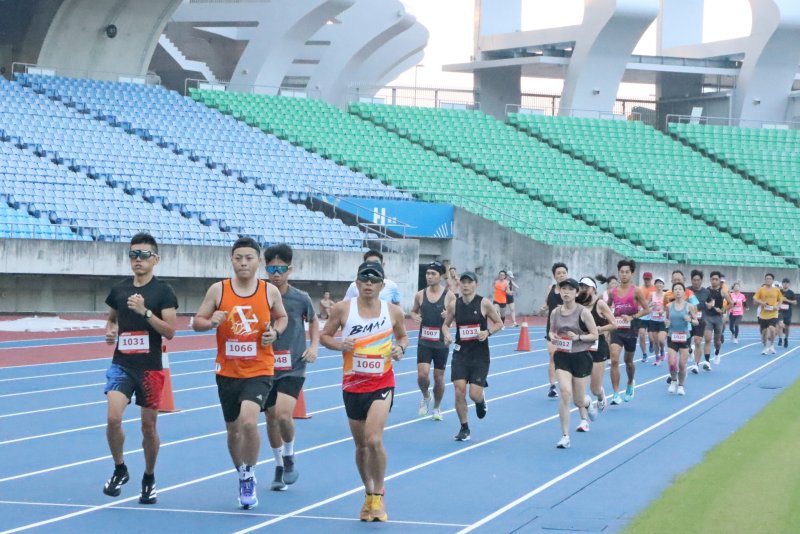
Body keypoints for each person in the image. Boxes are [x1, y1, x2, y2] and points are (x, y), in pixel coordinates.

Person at [192, 237, 288, 509]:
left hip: (259, 368)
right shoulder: (218, 290)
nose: (243, 263)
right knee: (233, 431)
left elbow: (282, 317)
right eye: (238, 258)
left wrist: (275, 332)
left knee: (249, 421)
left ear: (258, 261)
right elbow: (197, 322)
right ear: (232, 260)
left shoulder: (268, 291)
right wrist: (210, 322)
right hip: (227, 371)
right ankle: (240, 471)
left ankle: (249, 475)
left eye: (249, 258)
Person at [320, 261, 408, 522]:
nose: (368, 283)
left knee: (373, 439)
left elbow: (403, 338)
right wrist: (339, 344)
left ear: (382, 285)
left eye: (374, 280)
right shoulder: (342, 309)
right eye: (364, 279)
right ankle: (368, 492)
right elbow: (325, 336)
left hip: (382, 382)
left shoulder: (393, 312)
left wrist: (400, 349)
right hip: (353, 384)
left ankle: (379, 495)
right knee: (360, 447)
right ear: (357, 284)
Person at [102, 233, 178, 505]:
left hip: (150, 369)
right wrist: (111, 332)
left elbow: (170, 331)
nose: (137, 259)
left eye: (144, 255)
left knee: (148, 427)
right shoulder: (120, 290)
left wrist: (146, 312)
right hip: (121, 364)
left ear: (155, 259)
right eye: (133, 254)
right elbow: (112, 320)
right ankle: (120, 468)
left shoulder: (163, 292)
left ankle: (149, 476)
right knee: (113, 418)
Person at [262, 244, 319, 491]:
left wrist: (314, 346)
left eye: (281, 269)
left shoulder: (300, 298)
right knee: (270, 418)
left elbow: (315, 322)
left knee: (284, 415)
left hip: (294, 364)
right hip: (264, 366)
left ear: (290, 269)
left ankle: (289, 455)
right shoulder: (259, 296)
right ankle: (277, 465)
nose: (276, 274)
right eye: (272, 269)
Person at [443, 271, 503, 442]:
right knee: (458, 390)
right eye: (463, 282)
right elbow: (445, 325)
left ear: (476, 284)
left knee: (473, 394)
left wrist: (487, 332)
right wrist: (447, 335)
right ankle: (464, 427)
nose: (466, 285)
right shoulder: (454, 305)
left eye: (470, 282)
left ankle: (480, 400)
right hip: (460, 353)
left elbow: (499, 323)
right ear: (460, 285)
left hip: (480, 355)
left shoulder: (484, 303)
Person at [549, 278, 600, 448]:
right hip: (562, 356)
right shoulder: (556, 312)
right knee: (564, 393)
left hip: (580, 356)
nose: (566, 292)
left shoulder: (583, 312)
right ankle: (565, 436)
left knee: (578, 400)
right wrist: (553, 336)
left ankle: (587, 403)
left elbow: (594, 335)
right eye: (563, 289)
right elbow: (551, 331)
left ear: (576, 293)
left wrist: (578, 337)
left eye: (570, 289)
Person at [410, 261, 456, 421]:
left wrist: (449, 317)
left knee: (438, 377)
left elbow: (456, 319)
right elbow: (413, 311)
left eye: (433, 274)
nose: (429, 276)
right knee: (422, 376)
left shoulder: (449, 296)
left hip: (440, 343)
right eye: (427, 274)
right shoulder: (420, 294)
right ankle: (426, 395)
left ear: (441, 276)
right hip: (424, 340)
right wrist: (415, 316)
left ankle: (437, 407)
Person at [608, 259, 650, 404]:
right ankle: (615, 393)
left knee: (628, 362)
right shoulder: (612, 292)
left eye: (627, 272)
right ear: (618, 273)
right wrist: (608, 320)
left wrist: (632, 317)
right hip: (616, 330)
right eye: (621, 272)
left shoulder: (636, 290)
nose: (624, 275)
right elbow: (606, 310)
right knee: (614, 359)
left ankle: (630, 382)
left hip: (631, 331)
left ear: (631, 274)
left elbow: (647, 309)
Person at [577, 277, 616, 420]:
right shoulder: (577, 304)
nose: (583, 289)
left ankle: (600, 396)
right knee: (579, 388)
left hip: (598, 348)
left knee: (594, 388)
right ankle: (584, 419)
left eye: (586, 287)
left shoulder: (600, 304)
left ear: (593, 289)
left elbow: (614, 324)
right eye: (581, 287)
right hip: (581, 347)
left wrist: (598, 329)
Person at [539, 262, 569, 399]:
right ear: (554, 276)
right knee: (552, 356)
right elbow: (546, 303)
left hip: (568, 328)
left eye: (563, 272)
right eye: (559, 273)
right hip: (552, 327)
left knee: (567, 357)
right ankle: (552, 386)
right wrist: (544, 308)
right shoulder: (551, 288)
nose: (561, 275)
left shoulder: (571, 290)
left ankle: (567, 381)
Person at [665, 282, 699, 396]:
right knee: (671, 363)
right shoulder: (669, 306)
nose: (678, 291)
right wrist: (666, 323)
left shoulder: (689, 306)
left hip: (684, 337)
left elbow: (696, 322)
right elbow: (666, 321)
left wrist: (690, 320)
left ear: (684, 292)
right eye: (676, 289)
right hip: (672, 336)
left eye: (680, 289)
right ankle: (674, 381)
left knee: (682, 365)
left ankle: (681, 386)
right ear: (673, 292)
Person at [704, 271, 731, 365]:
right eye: (712, 279)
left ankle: (717, 352)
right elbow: (703, 302)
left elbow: (731, 303)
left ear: (719, 280)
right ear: (710, 280)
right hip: (707, 317)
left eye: (716, 279)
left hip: (718, 318)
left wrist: (723, 309)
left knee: (717, 341)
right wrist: (707, 305)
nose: (714, 281)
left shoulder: (723, 291)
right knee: (707, 338)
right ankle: (707, 361)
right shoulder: (706, 291)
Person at [754, 273, 784, 354]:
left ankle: (771, 345)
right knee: (764, 333)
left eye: (770, 279)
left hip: (773, 313)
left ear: (772, 280)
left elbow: (781, 299)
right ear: (765, 280)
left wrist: (778, 306)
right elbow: (755, 299)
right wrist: (762, 303)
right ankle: (766, 346)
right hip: (763, 314)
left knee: (772, 329)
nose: (768, 280)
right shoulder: (761, 289)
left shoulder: (776, 290)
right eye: (767, 279)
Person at [688, 270, 711, 372]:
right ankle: (689, 350)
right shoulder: (687, 290)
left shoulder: (706, 292)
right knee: (686, 344)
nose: (696, 282)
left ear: (701, 281)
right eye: (694, 280)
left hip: (700, 321)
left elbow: (711, 301)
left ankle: (696, 365)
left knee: (697, 341)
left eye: (698, 280)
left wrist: (710, 304)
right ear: (691, 280)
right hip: (688, 320)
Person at [647, 277, 667, 365]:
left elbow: (668, 306)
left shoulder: (666, 295)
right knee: (655, 341)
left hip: (662, 320)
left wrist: (663, 311)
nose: (659, 284)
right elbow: (646, 305)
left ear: (663, 285)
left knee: (661, 340)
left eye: (661, 283)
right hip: (653, 320)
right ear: (655, 285)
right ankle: (657, 358)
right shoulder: (652, 294)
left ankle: (662, 350)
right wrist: (650, 304)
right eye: (657, 283)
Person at [638, 272, 657, 362]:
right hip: (642, 315)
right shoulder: (640, 289)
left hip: (652, 315)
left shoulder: (655, 288)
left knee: (651, 336)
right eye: (645, 279)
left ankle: (651, 342)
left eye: (648, 279)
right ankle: (644, 354)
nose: (647, 281)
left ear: (651, 279)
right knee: (641, 334)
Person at [778, 278, 796, 348]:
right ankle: (780, 339)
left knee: (787, 327)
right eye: (784, 283)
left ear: (789, 284)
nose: (785, 284)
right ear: (782, 284)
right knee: (780, 324)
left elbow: (794, 302)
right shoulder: (779, 291)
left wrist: (786, 300)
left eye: (787, 283)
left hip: (788, 312)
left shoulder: (791, 292)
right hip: (780, 311)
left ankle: (786, 339)